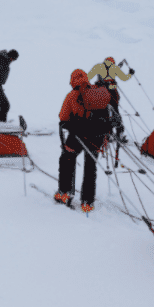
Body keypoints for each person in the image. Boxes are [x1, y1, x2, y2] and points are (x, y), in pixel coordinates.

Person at [55, 68, 112, 214]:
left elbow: (63, 117)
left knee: (67, 159)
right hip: (97, 137)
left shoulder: (72, 95)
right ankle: (87, 202)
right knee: (90, 167)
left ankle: (64, 193)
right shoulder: (96, 92)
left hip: (78, 136)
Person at [87, 56, 134, 140]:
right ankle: (119, 132)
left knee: (103, 112)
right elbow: (124, 78)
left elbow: (88, 78)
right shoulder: (115, 68)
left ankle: (108, 133)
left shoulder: (98, 66)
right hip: (113, 93)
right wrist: (130, 73)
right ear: (113, 62)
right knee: (115, 111)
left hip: (100, 93)